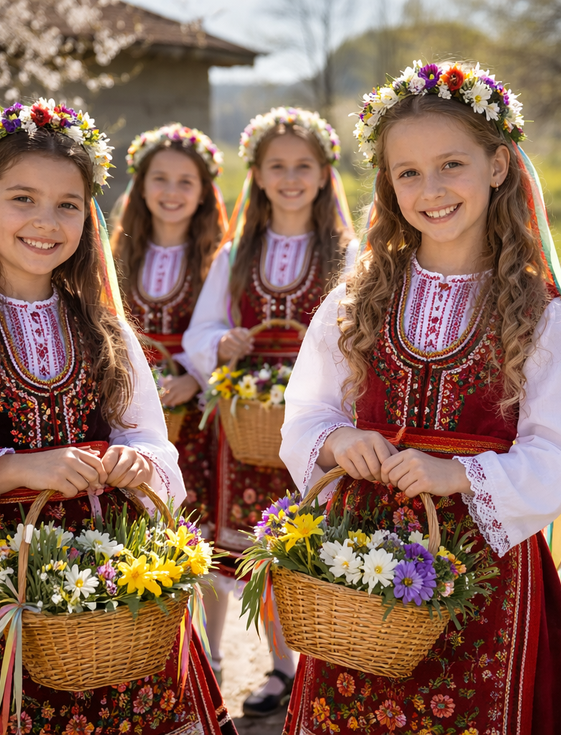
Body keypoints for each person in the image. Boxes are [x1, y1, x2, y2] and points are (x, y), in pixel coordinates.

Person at [0, 100, 236, 734]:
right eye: (22, 198)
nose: (45, 222)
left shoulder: (103, 325)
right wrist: (22, 469)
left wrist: (138, 462)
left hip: (117, 575)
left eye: (67, 205)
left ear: (89, 215)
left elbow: (153, 441)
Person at [279, 60, 561, 735]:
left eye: (451, 163)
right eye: (409, 172)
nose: (432, 189)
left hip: (484, 569)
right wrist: (339, 440)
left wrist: (458, 473)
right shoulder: (357, 296)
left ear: (499, 165)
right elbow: (306, 407)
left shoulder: (538, 313)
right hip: (358, 562)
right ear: (388, 184)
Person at [182, 106, 355, 716]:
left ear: (323, 172)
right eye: (276, 166)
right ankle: (283, 669)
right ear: (256, 174)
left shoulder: (348, 251)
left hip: (322, 418)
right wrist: (220, 346)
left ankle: (318, 664)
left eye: (302, 166)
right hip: (250, 421)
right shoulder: (238, 252)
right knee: (265, 546)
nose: (289, 177)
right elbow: (199, 334)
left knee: (317, 540)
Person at [111, 123, 227, 532]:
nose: (172, 191)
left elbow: (226, 329)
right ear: (141, 187)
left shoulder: (218, 259)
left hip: (195, 414)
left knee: (200, 526)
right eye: (160, 179)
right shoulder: (118, 255)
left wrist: (195, 380)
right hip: (128, 402)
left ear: (203, 192)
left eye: (185, 181)